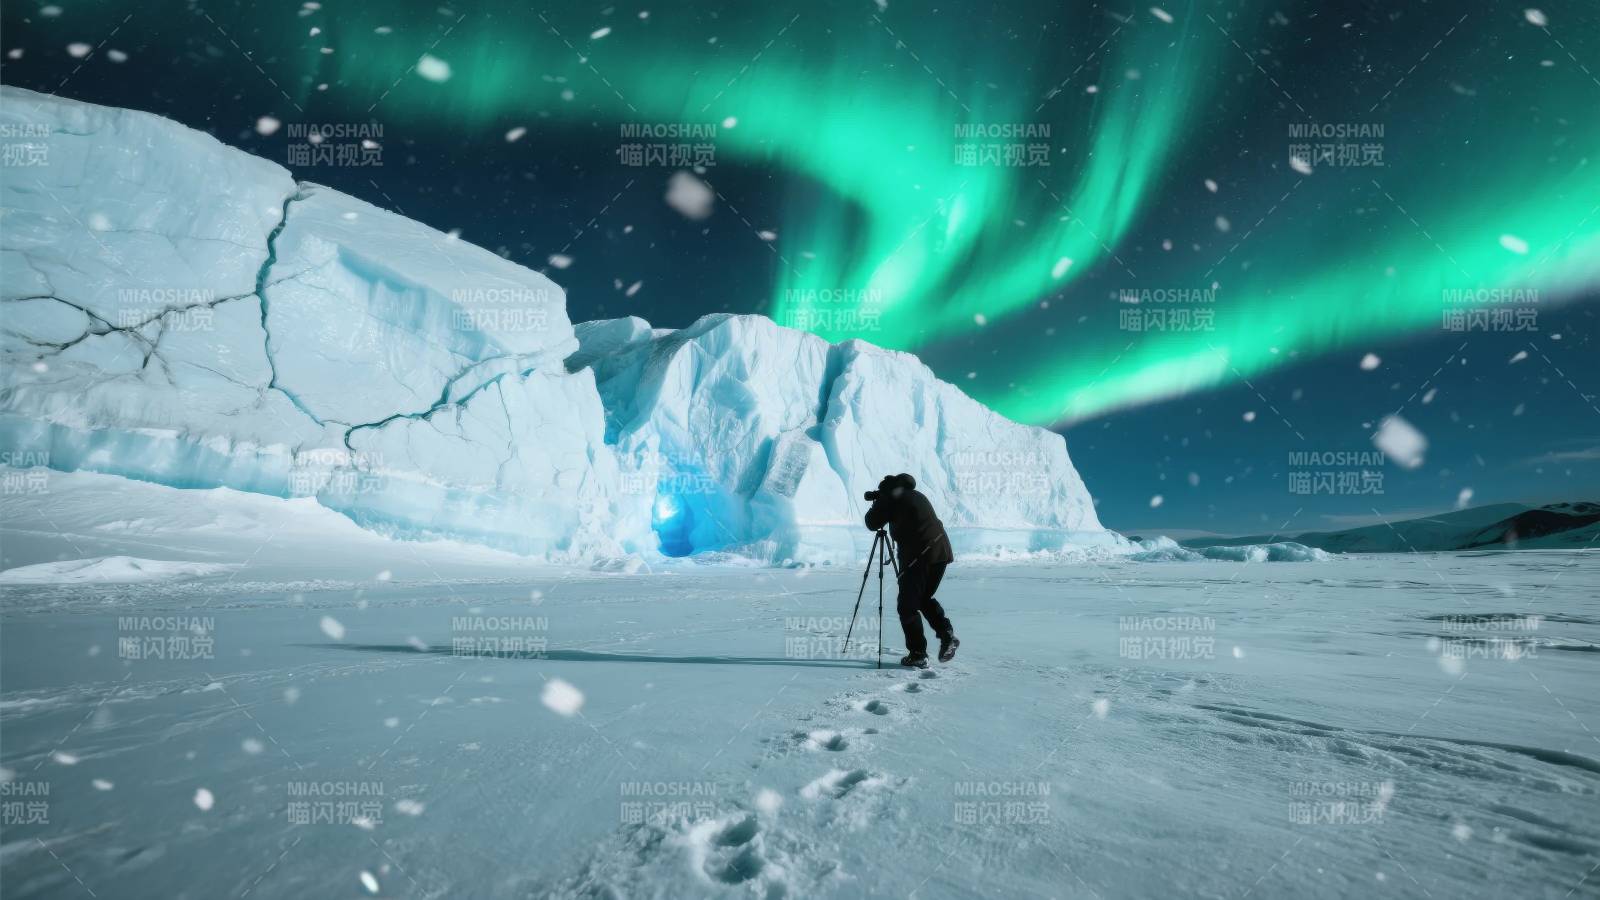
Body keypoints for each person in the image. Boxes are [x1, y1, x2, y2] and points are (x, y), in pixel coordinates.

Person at [863, 473, 958, 668]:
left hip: (919, 556)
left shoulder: (892, 497)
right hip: (941, 552)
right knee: (922, 598)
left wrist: (878, 503)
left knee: (907, 606)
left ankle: (918, 654)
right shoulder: (915, 495)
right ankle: (946, 634)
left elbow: (872, 522)